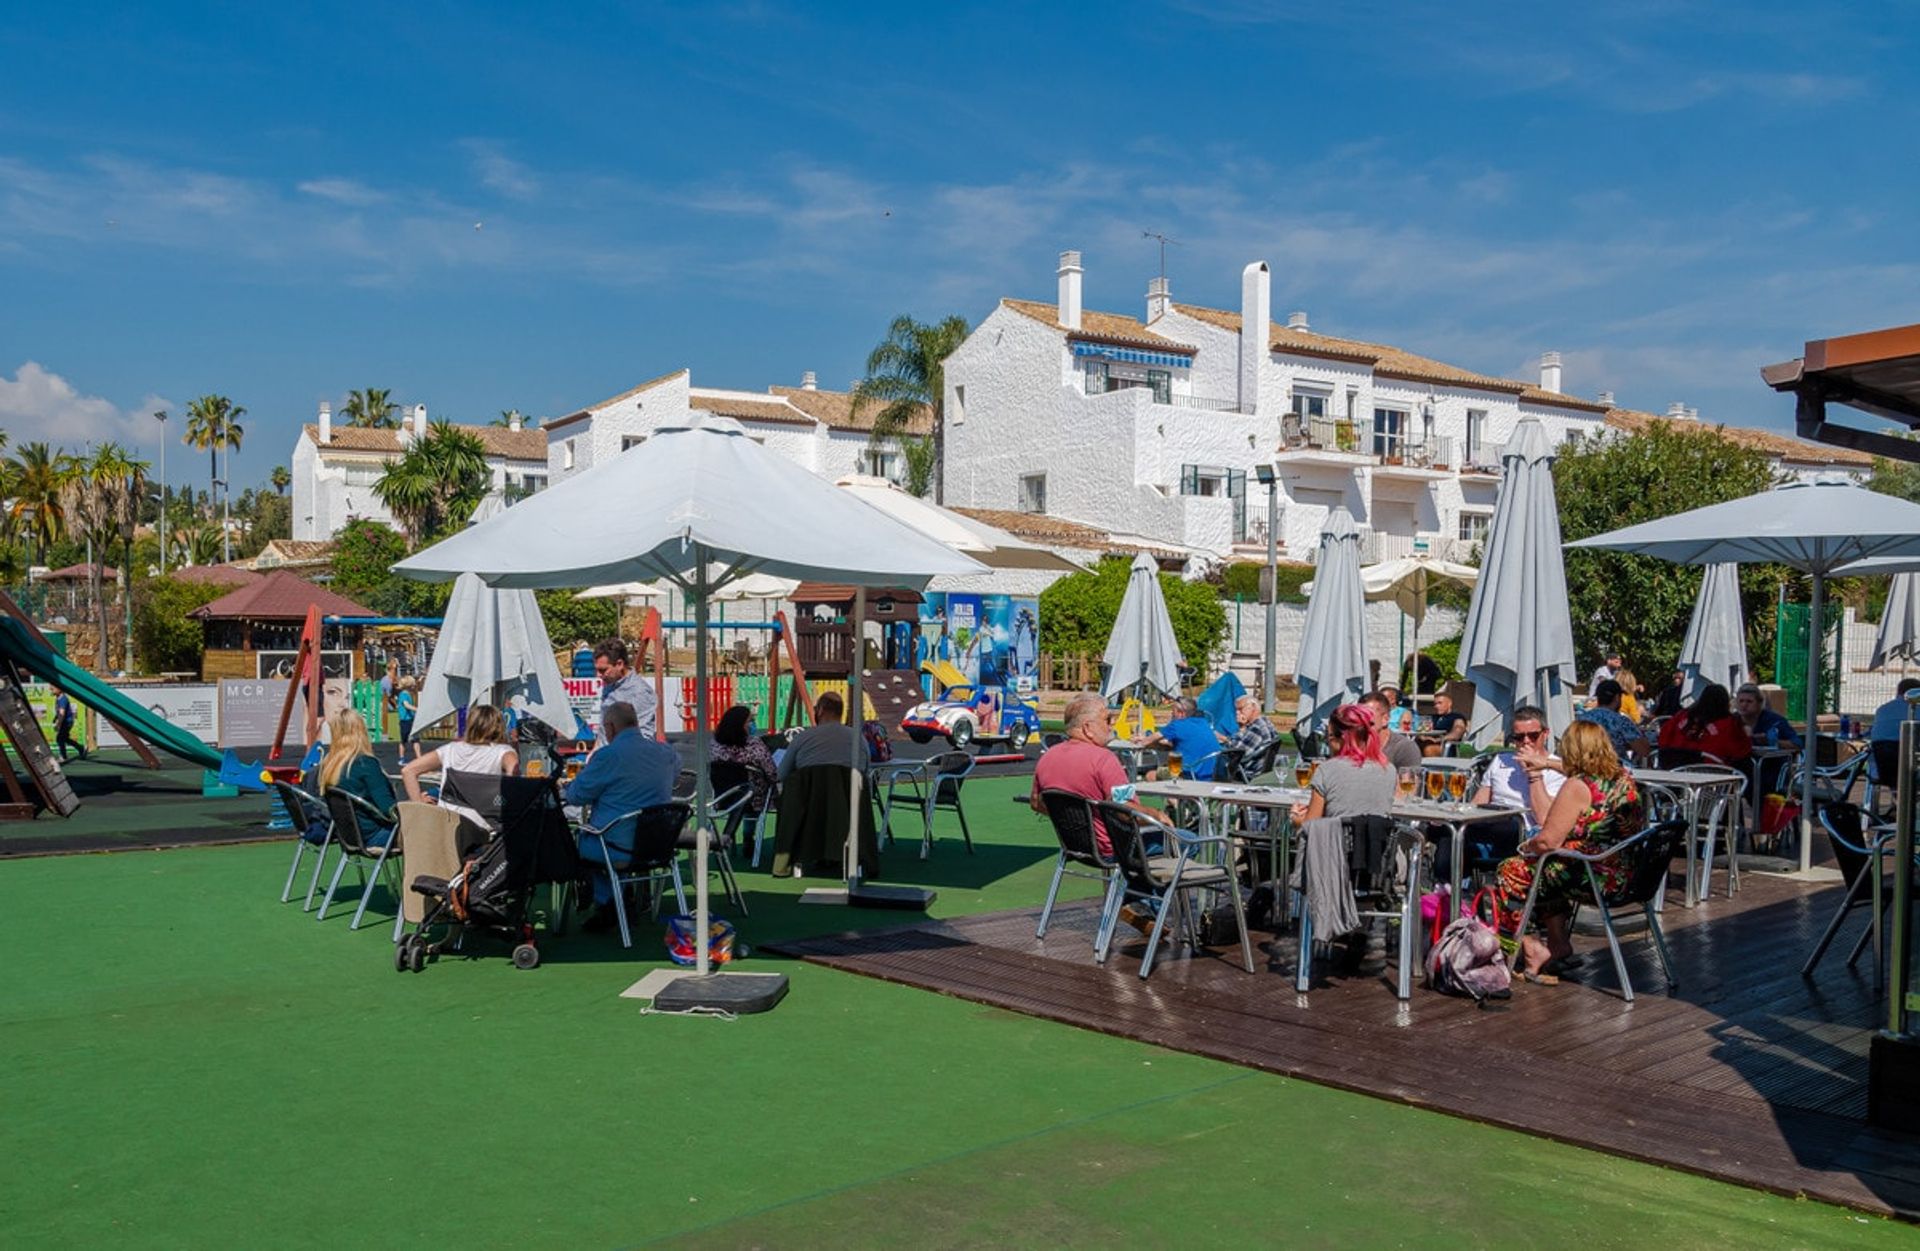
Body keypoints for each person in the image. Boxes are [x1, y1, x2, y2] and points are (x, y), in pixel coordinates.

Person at [1495, 721, 1643, 983]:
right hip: (1630, 873)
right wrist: (1545, 764)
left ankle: (1533, 949)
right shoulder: (1622, 777)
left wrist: (1527, 847)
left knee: (1513, 869)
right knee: (1547, 868)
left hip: (1596, 878)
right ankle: (1558, 943)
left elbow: (1548, 841)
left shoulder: (1577, 786)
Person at [565, 700, 677, 929]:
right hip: (658, 845)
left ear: (611, 727)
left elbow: (576, 796)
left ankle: (607, 901)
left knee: (579, 841)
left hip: (616, 846)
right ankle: (620, 896)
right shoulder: (666, 753)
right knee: (608, 836)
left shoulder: (608, 756)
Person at [1030, 692, 1162, 857]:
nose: (1111, 725)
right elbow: (1125, 811)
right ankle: (1140, 883)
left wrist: (1071, 820)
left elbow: (1036, 803)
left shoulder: (1047, 758)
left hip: (1074, 847)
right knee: (1187, 840)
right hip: (1115, 848)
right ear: (1087, 728)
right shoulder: (1104, 759)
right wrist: (1158, 815)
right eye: (1107, 719)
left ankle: (1136, 882)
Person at [402, 702, 519, 830]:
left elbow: (408, 771)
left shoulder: (450, 749)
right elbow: (513, 769)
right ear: (499, 727)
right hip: (483, 825)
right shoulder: (502, 751)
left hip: (447, 824)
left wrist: (420, 806)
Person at [1290, 703, 1396, 824]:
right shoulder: (1389, 770)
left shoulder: (1326, 770)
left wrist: (1296, 819)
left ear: (1340, 738)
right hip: (1375, 841)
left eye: (1329, 736)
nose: (1328, 742)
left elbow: (1310, 827)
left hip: (1334, 841)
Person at [307, 708, 398, 845]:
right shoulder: (365, 764)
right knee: (428, 827)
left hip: (349, 835)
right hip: (375, 834)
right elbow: (388, 809)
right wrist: (414, 808)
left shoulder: (329, 765)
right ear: (361, 732)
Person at [1472, 705, 1565, 831]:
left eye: (1533, 736)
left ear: (1545, 734)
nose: (1526, 741)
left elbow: (1544, 818)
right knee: (1446, 831)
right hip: (1491, 822)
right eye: (1519, 737)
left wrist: (1534, 773)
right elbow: (1477, 804)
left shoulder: (1557, 767)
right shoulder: (1501, 759)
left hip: (1523, 830)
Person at [777, 691, 868, 782]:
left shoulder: (800, 739)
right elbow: (865, 776)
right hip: (850, 795)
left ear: (820, 710)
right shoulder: (860, 740)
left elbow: (780, 775)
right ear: (840, 713)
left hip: (810, 795)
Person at [1656, 682, 1750, 766]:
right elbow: (1740, 750)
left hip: (1675, 771)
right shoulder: (1729, 723)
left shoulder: (1682, 716)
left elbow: (1663, 737)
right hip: (1713, 774)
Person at [711, 703, 778, 811]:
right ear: (739, 724)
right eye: (750, 721)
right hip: (753, 799)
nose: (753, 724)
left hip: (724, 797)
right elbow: (772, 773)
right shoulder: (754, 744)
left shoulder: (716, 745)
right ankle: (750, 827)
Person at [1142, 696, 1223, 780]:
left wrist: (1141, 739)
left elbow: (1145, 742)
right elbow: (1178, 744)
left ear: (1181, 713)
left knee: (1150, 775)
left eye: (1173, 712)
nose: (1171, 714)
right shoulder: (1203, 723)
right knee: (1171, 763)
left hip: (1189, 773)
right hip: (1211, 774)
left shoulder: (1176, 725)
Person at [593, 637, 657, 740]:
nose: (598, 675)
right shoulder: (610, 685)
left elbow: (643, 738)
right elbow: (602, 731)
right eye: (596, 670)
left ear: (619, 664)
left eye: (603, 670)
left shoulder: (640, 692)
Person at [1578, 679, 1650, 764]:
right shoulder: (1621, 721)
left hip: (1586, 769)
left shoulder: (1580, 719)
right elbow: (1644, 750)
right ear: (1617, 698)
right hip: (1615, 770)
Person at [1869, 678, 1920, 789]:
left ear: (1898, 692)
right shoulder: (1917, 709)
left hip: (1882, 769)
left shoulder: (1882, 709)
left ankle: (1894, 799)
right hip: (1912, 769)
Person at [1359, 690, 1423, 771]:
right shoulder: (1353, 744)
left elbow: (1410, 782)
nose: (1362, 721)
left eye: (1367, 716)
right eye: (1359, 716)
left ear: (1385, 719)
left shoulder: (1404, 748)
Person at [1417, 690, 1467, 757]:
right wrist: (1423, 737)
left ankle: (1435, 767)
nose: (1436, 706)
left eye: (1440, 703)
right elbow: (1421, 730)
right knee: (1409, 746)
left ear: (1449, 703)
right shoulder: (1431, 717)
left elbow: (1457, 732)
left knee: (1428, 748)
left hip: (1446, 746)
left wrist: (1439, 740)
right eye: (1435, 704)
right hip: (1427, 742)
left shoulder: (1456, 717)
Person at [1229, 694, 1278, 759]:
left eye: (1240, 709)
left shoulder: (1256, 728)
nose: (1237, 712)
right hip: (1259, 764)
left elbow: (1236, 754)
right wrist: (1225, 739)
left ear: (1253, 707)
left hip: (1250, 767)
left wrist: (1241, 727)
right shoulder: (1264, 720)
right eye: (1236, 710)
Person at [52, 688, 83, 761]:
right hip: (65, 722)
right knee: (64, 738)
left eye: (53, 688)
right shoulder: (58, 698)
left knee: (60, 738)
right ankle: (81, 748)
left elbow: (62, 713)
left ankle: (63, 757)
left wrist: (58, 724)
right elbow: (59, 712)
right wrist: (55, 718)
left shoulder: (63, 699)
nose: (51, 689)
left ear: (59, 689)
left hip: (67, 722)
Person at [395, 676, 418, 763]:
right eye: (413, 684)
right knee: (403, 740)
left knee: (416, 739)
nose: (414, 686)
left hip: (411, 719)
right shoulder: (403, 694)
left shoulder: (409, 694)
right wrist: (416, 709)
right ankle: (401, 758)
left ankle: (419, 757)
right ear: (409, 685)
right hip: (405, 720)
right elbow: (406, 705)